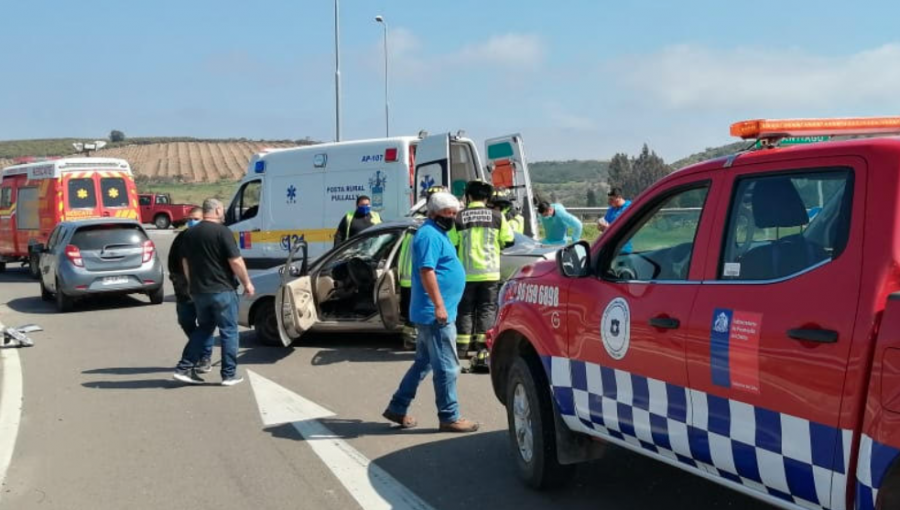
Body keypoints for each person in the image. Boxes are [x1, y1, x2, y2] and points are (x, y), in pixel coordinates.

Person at [382, 192, 479, 433]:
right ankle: (449, 416)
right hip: (435, 314)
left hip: (434, 312)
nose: (453, 217)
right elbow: (427, 271)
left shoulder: (438, 233)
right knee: (447, 367)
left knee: (423, 363)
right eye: (449, 213)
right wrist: (439, 305)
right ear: (434, 213)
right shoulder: (428, 235)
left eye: (455, 213)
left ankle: (398, 406)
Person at [173, 198, 255, 386]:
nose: (223, 213)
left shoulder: (190, 234)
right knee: (229, 331)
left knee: (203, 329)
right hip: (222, 290)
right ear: (217, 211)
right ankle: (228, 374)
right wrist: (247, 283)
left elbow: (185, 263)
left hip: (199, 292)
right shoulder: (223, 232)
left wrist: (192, 286)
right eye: (222, 210)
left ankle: (183, 368)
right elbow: (235, 261)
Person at [455, 180, 514, 370]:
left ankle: (462, 347)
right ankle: (484, 347)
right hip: (490, 273)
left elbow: (452, 242)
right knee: (487, 309)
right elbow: (509, 240)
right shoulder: (497, 216)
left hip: (466, 273)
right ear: (487, 197)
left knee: (465, 309)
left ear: (469, 196)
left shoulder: (459, 217)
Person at [397, 185, 449, 350]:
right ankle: (420, 343)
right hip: (423, 275)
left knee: (410, 312)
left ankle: (411, 340)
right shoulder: (435, 225)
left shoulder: (414, 219)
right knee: (426, 311)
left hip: (408, 273)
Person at [168, 206, 214, 373]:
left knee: (205, 325)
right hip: (185, 292)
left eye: (195, 219)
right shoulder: (181, 239)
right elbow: (173, 264)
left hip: (206, 291)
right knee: (185, 321)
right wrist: (179, 285)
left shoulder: (210, 238)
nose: (191, 222)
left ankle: (205, 357)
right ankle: (202, 350)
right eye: (189, 219)